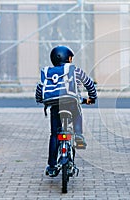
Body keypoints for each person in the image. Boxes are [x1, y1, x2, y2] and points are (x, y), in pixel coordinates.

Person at [35, 45, 97, 177]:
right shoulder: (74, 70)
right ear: (68, 58)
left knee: (54, 134)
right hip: (71, 104)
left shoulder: (47, 72)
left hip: (55, 105)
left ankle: (52, 166)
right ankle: (79, 136)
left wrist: (41, 100)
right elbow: (89, 83)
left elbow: (40, 90)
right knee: (77, 113)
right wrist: (92, 97)